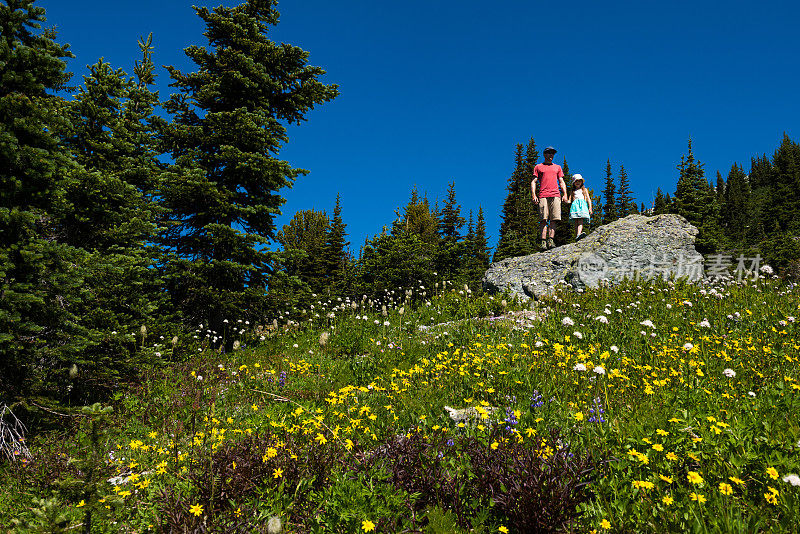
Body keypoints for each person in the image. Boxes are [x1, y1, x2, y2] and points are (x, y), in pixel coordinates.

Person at [531, 146, 568, 250]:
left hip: (555, 195)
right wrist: (534, 195)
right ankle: (543, 242)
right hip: (543, 195)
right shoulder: (538, 166)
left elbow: (561, 181)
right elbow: (533, 181)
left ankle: (551, 240)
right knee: (543, 219)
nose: (551, 155)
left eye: (552, 153)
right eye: (549, 153)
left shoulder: (557, 167)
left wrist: (565, 193)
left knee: (554, 219)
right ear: (544, 154)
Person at [568, 173, 593, 240]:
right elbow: (569, 200)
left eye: (579, 181)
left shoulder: (584, 190)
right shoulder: (573, 191)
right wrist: (565, 200)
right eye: (576, 181)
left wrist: (590, 208)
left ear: (582, 182)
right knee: (576, 221)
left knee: (580, 220)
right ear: (574, 183)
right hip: (575, 206)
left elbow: (588, 199)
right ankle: (577, 235)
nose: (578, 182)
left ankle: (579, 233)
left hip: (582, 206)